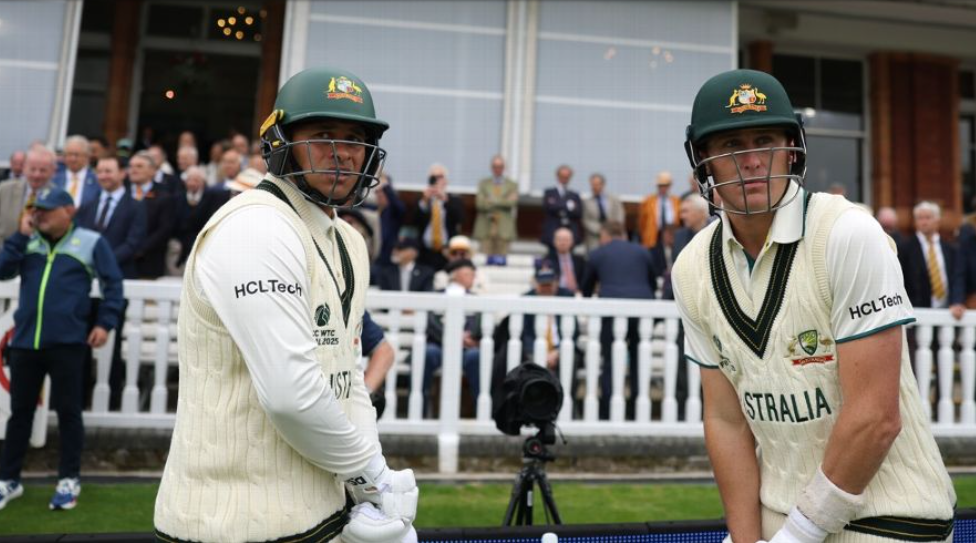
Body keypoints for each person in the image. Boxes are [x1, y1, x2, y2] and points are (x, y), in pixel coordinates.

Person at [672, 69, 954, 543]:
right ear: (704, 161)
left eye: (765, 140)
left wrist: (796, 537)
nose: (751, 161)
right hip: (777, 517)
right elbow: (725, 420)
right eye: (731, 145)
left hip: (892, 518)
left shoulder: (847, 233)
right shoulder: (692, 266)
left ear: (792, 147)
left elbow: (875, 417)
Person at [154, 66, 418, 543]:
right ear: (280, 142)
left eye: (355, 139)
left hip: (319, 515)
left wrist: (367, 491)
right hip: (228, 525)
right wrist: (374, 474)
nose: (341, 152)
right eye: (322, 135)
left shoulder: (348, 241)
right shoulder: (255, 228)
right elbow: (292, 397)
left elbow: (346, 373)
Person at [0, 187, 123, 511]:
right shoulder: (28, 241)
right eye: (36, 209)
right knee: (19, 414)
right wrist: (19, 236)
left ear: (68, 211)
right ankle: (8, 480)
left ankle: (69, 480)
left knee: (69, 414)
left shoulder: (91, 242)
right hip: (25, 343)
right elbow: (2, 270)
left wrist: (104, 323)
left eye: (47, 210)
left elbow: (113, 285)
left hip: (68, 344)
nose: (39, 215)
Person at [581, 221, 657, 420]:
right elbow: (651, 283)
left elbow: (586, 288)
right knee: (639, 361)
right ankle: (637, 411)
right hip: (642, 313)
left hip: (611, 313)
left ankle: (607, 411)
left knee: (610, 361)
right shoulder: (642, 252)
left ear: (604, 236)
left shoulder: (598, 253)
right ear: (624, 235)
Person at [898, 201, 965, 320]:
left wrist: (956, 301)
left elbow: (957, 278)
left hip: (948, 314)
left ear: (937, 220)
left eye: (928, 218)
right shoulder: (905, 249)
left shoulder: (950, 248)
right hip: (918, 314)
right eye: (920, 218)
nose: (924, 222)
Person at [0, 147, 57, 246]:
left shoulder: (58, 196)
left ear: (53, 172)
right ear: (24, 168)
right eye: (32, 169)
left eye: (43, 170)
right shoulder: (4, 190)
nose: (36, 175)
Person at [413, 163, 463, 270]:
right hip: (425, 251)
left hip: (447, 251)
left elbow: (459, 219)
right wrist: (424, 201)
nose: (436, 180)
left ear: (446, 181)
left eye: (440, 176)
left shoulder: (454, 200)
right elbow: (414, 221)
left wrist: (445, 200)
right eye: (433, 177)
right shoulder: (422, 199)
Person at [473, 155, 518, 261]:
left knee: (502, 261)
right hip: (486, 229)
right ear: (491, 167)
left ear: (504, 167)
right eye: (495, 166)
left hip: (504, 230)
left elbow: (512, 203)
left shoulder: (512, 185)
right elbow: (480, 204)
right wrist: (503, 199)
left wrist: (491, 199)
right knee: (484, 261)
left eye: (500, 166)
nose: (497, 169)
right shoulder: (483, 183)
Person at [540, 164, 582, 250]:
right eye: (562, 176)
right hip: (552, 232)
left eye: (567, 177)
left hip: (570, 231)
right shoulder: (549, 192)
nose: (564, 179)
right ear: (557, 176)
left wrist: (557, 204)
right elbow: (549, 208)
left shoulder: (574, 195)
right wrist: (568, 205)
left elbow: (578, 212)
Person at [581, 173, 625, 252]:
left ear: (603, 185)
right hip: (594, 238)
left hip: (614, 235)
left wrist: (611, 229)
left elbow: (619, 215)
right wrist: (601, 230)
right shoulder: (587, 202)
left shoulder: (614, 199)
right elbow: (586, 220)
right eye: (593, 185)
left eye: (597, 184)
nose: (595, 187)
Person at [53, 135, 100, 208]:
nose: (73, 159)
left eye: (76, 155)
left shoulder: (97, 180)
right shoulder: (54, 178)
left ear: (87, 156)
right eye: (69, 154)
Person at [638, 171, 681, 249]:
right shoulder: (648, 201)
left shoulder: (676, 201)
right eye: (660, 186)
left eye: (665, 185)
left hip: (671, 236)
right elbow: (642, 222)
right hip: (653, 236)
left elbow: (679, 220)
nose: (663, 188)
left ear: (669, 186)